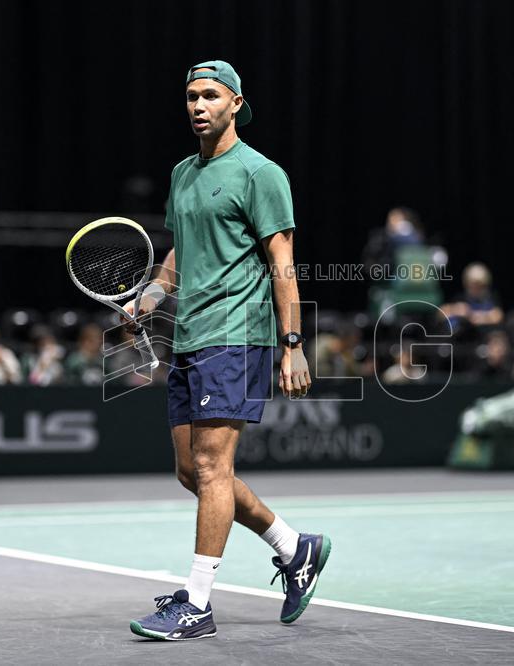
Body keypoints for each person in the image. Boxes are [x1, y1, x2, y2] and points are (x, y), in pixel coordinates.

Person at [128, 60, 327, 641]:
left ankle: (197, 603)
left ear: (236, 103)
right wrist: (155, 292)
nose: (197, 105)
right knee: (192, 472)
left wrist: (293, 345)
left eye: (210, 95)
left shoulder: (261, 173)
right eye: (190, 96)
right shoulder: (182, 174)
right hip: (188, 333)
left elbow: (282, 264)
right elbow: (180, 250)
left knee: (215, 466)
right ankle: (296, 547)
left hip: (237, 332)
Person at [439, 262, 504, 330]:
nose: (475, 288)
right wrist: (456, 309)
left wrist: (477, 317)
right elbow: (441, 312)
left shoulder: (490, 297)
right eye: (472, 285)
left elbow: (498, 316)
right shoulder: (461, 298)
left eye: (479, 285)